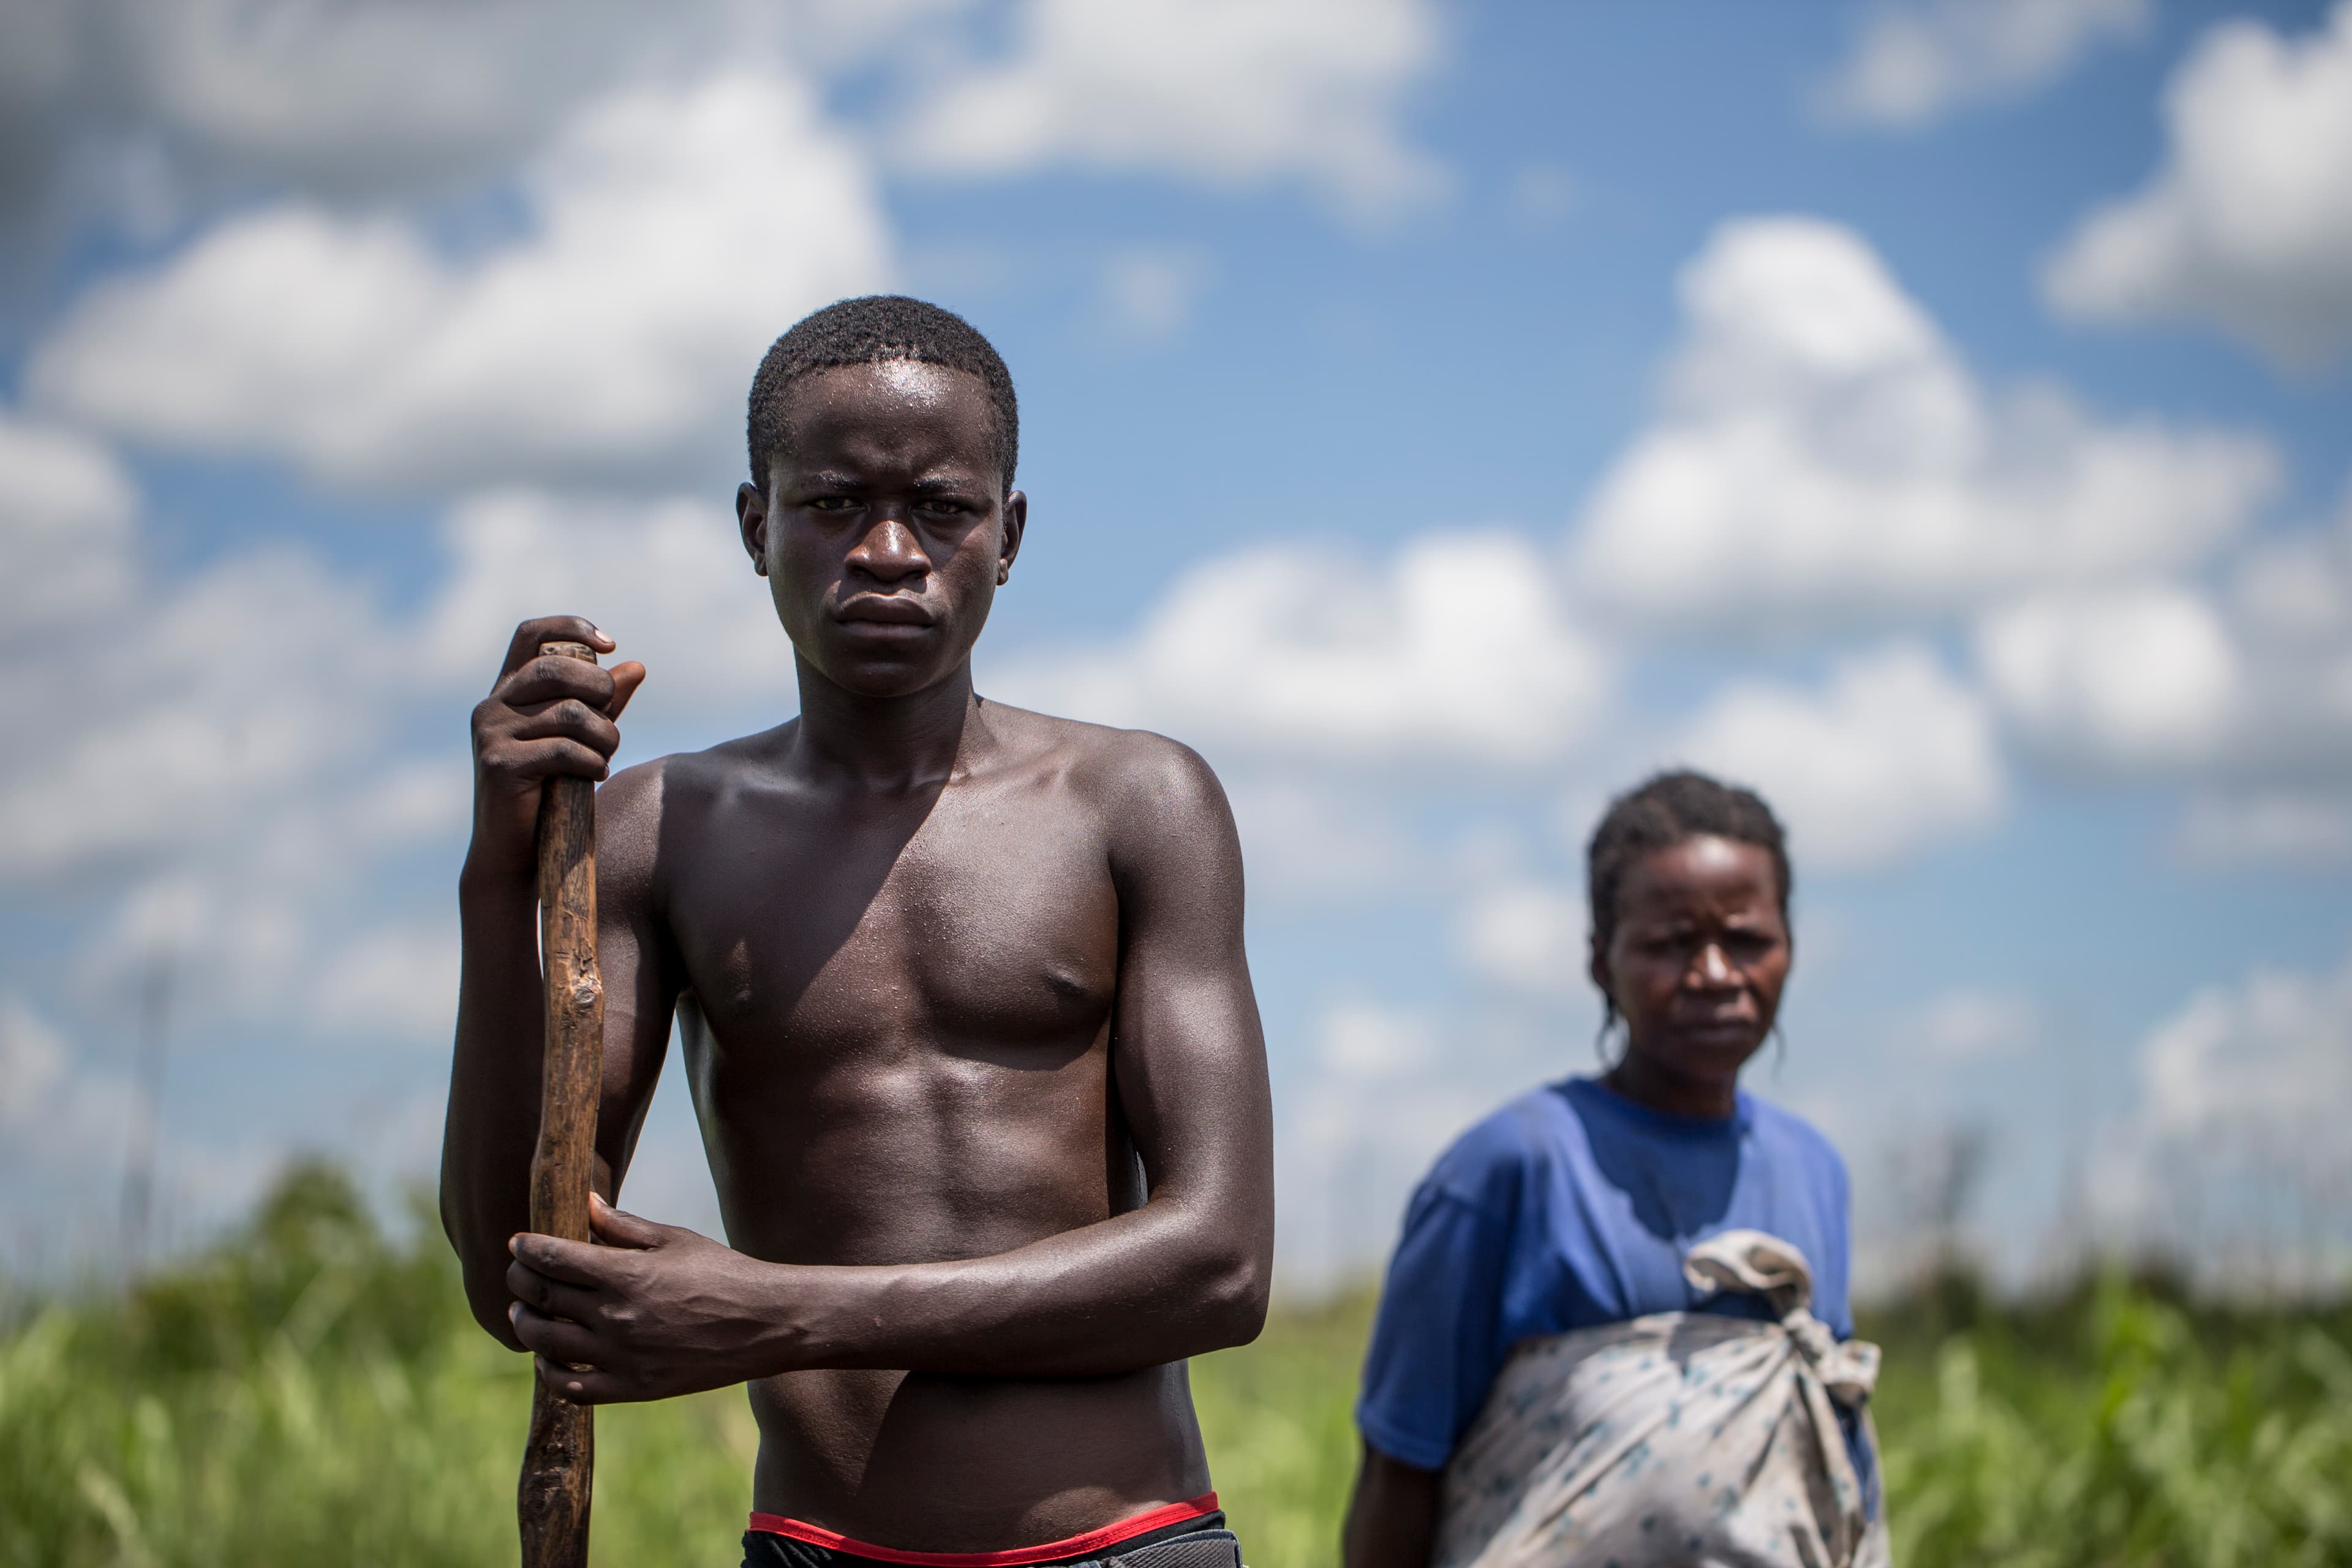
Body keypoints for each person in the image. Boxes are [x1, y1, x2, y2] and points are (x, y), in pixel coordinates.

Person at [440, 296, 1273, 1567]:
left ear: (1011, 534)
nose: (889, 549)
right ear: (755, 523)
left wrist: (775, 1310)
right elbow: (524, 1277)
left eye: (943, 506)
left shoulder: (1139, 802)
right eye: (834, 502)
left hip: (1128, 1544)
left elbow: (1220, 1263)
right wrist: (500, 878)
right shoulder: (658, 832)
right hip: (816, 1552)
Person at [1341, 771, 1884, 1568]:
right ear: (1602, 962)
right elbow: (1400, 1464)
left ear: (1790, 949)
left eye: (1746, 940)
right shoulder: (1512, 1167)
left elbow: (1828, 1438)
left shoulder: (1812, 1170)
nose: (1714, 974)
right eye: (1670, 944)